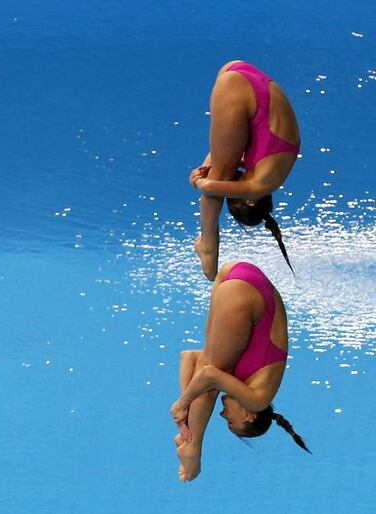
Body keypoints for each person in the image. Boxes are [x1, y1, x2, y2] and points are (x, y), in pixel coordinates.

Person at [170, 261, 310, 482]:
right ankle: (193, 448)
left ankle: (189, 439)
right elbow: (207, 375)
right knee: (212, 379)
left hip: (242, 276)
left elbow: (189, 357)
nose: (222, 415)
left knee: (209, 372)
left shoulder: (248, 383)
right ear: (248, 415)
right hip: (246, 294)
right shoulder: (257, 400)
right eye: (230, 421)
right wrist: (182, 404)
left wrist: (185, 420)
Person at [191, 61, 300, 280]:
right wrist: (196, 181)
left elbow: (218, 154)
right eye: (231, 195)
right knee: (219, 176)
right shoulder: (262, 184)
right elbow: (211, 185)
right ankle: (210, 246)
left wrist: (214, 168)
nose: (231, 188)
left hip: (242, 71)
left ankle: (208, 245)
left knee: (222, 166)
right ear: (250, 200)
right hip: (235, 89)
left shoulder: (264, 169)